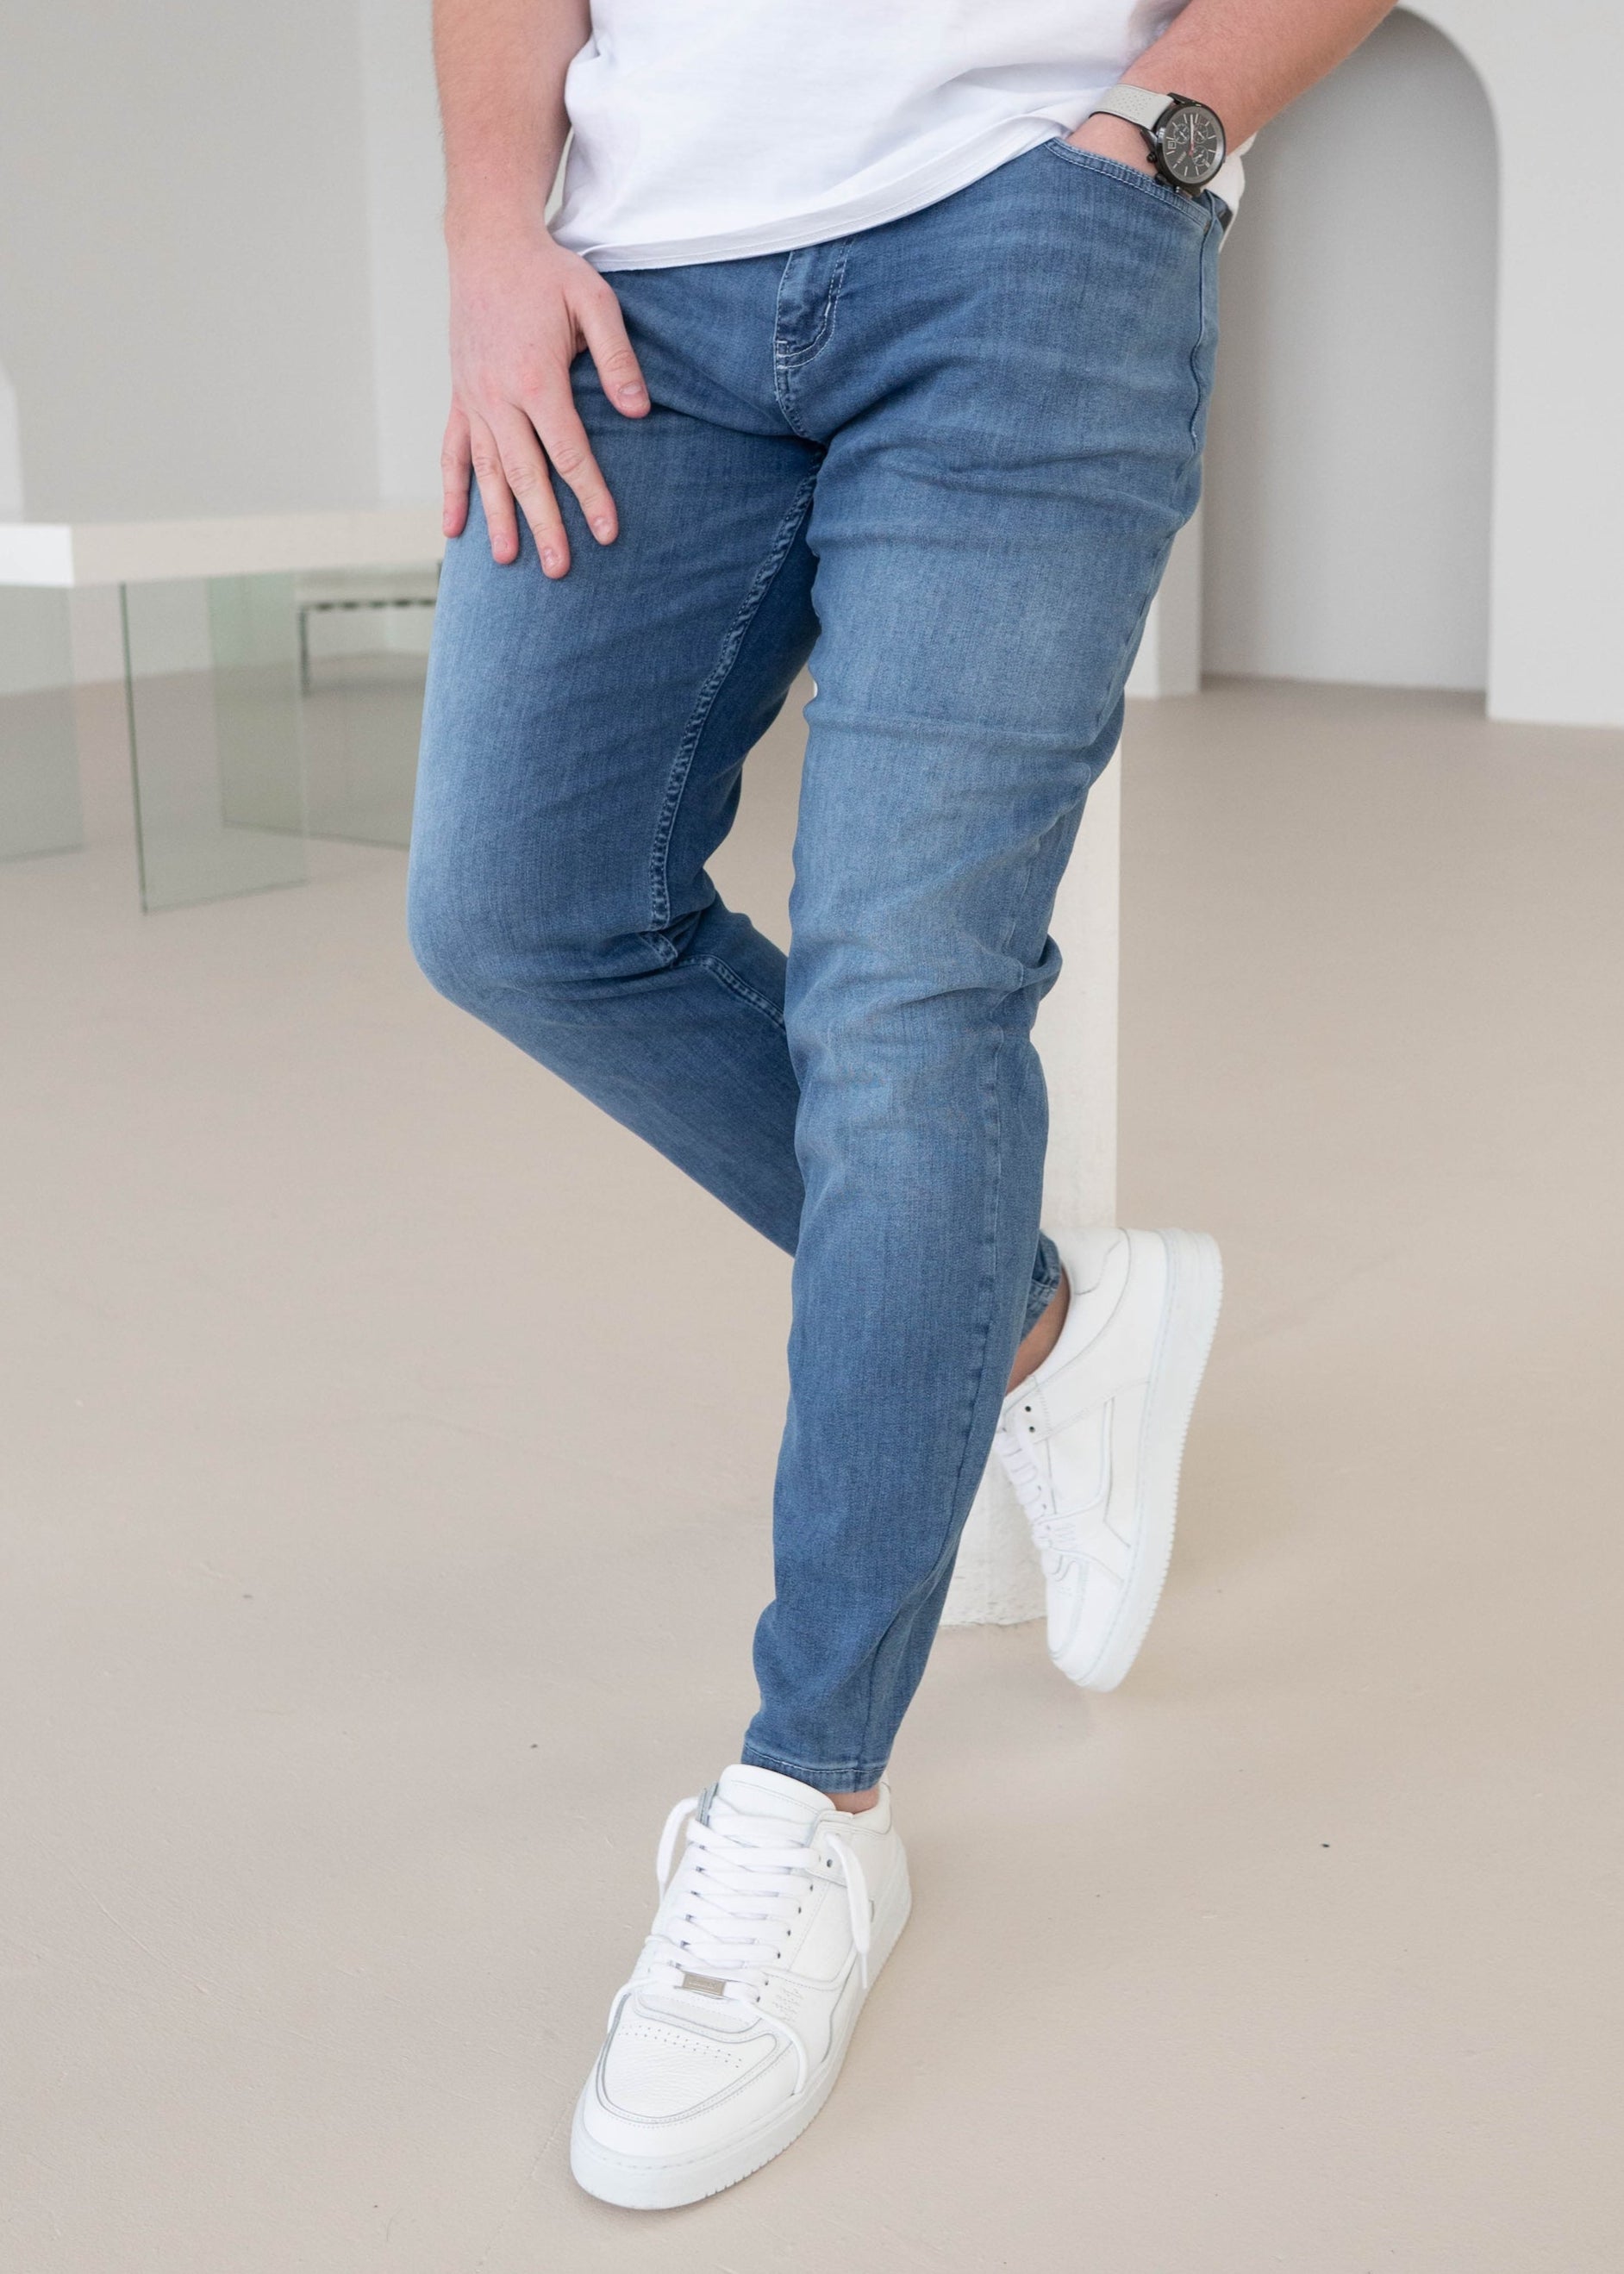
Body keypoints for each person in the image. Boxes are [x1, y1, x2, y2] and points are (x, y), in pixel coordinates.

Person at [408, 0, 1392, 2208]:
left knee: (907, 1003)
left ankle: (813, 1796)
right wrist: (488, 220)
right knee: (516, 909)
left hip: (1025, 237)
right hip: (633, 277)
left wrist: (1160, 132)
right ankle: (1042, 1322)